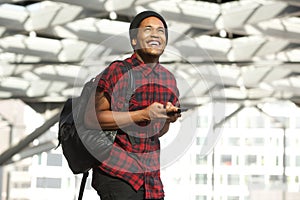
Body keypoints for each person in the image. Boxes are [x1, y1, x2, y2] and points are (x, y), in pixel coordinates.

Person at [84, 10, 181, 200]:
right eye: (148, 29)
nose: (155, 34)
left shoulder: (168, 79)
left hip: (151, 179)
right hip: (118, 172)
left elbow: (157, 132)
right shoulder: (118, 71)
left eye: (161, 31)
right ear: (134, 40)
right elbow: (91, 118)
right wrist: (143, 114)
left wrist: (167, 120)